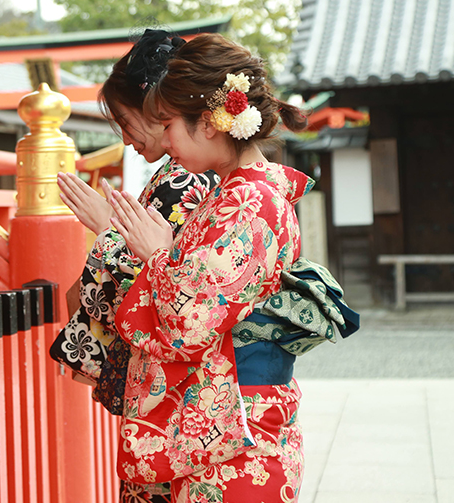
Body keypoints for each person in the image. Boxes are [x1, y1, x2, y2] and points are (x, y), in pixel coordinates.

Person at [107, 32, 315, 502]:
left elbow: (190, 323)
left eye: (167, 124)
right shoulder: (231, 193)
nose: (162, 139)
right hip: (221, 428)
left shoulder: (253, 201)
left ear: (209, 123)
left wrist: (157, 254)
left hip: (237, 440)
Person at [51, 28, 220, 503]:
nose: (126, 140)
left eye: (129, 123)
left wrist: (109, 233)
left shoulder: (181, 180)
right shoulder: (185, 175)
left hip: (175, 384)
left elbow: (156, 281)